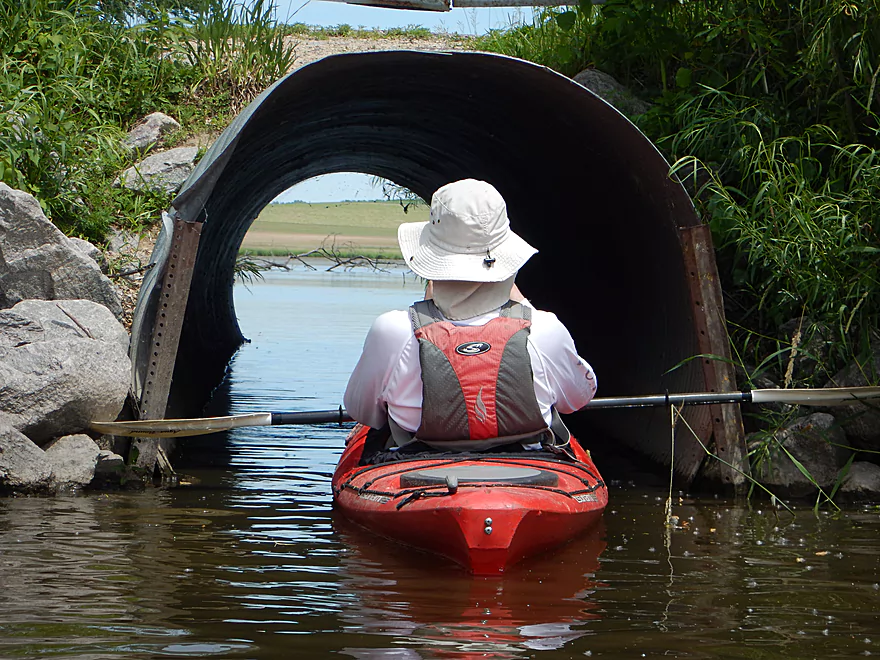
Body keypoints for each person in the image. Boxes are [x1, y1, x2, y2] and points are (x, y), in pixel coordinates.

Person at [343, 178, 597, 461]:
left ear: (431, 261)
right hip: (529, 467)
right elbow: (577, 400)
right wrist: (523, 307)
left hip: (414, 463)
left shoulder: (392, 331)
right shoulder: (544, 329)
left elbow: (362, 411)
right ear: (504, 262)